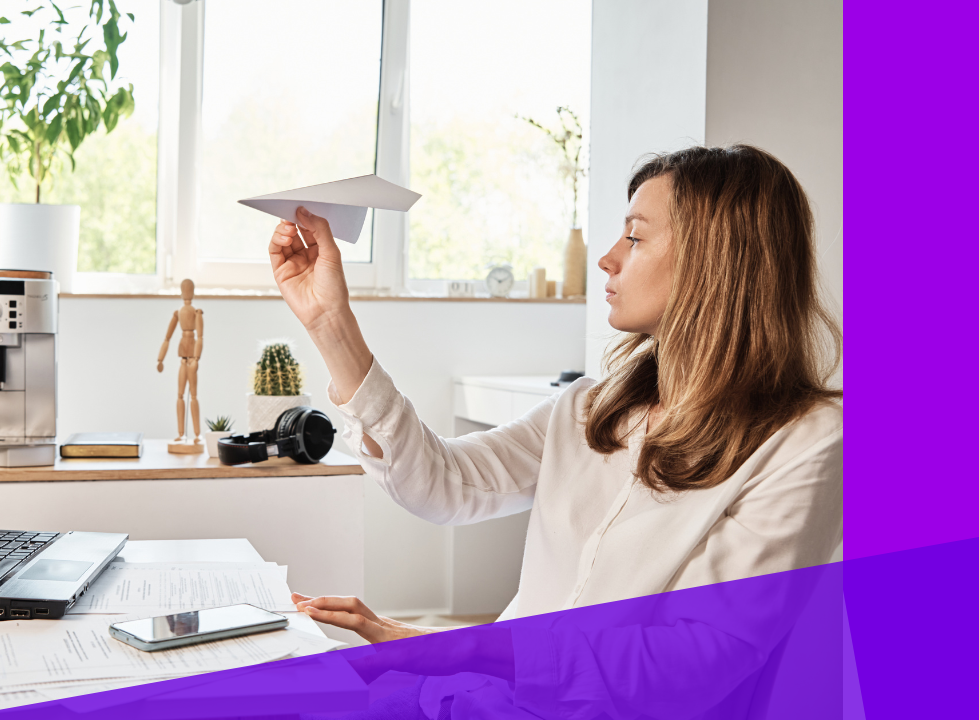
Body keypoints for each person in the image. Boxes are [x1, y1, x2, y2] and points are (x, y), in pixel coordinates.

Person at [268, 144, 842, 645]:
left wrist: (447, 649)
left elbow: (692, 663)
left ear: (714, 260)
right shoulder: (592, 409)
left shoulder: (805, 441)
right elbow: (442, 484)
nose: (608, 257)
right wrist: (329, 322)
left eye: (635, 237)